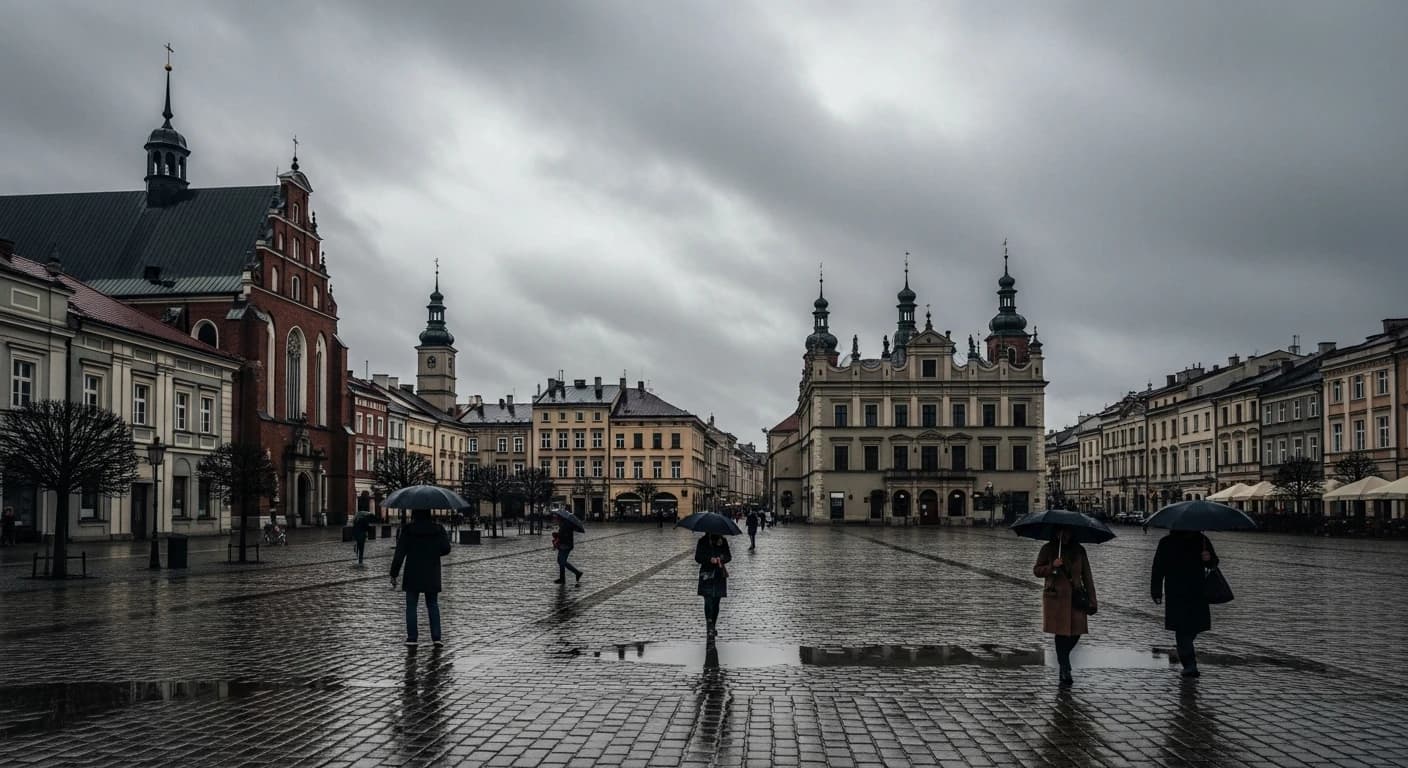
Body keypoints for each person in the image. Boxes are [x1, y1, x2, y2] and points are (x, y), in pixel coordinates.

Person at [1033, 526, 1097, 687]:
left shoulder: (1079, 550)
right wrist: (1052, 566)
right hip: (1056, 597)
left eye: (1067, 532)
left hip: (1076, 597)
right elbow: (1037, 570)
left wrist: (1092, 600)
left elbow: (1087, 576)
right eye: (1061, 532)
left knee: (1076, 632)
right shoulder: (1048, 549)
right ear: (1055, 533)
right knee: (1061, 633)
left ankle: (1064, 660)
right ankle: (1064, 668)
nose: (1064, 535)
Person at [1152, 529, 1218, 677]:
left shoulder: (1202, 540)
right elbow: (1158, 568)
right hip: (1176, 592)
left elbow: (1213, 563)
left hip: (1197, 591)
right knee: (1182, 630)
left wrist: (1208, 559)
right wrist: (1156, 591)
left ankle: (1186, 653)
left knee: (1194, 627)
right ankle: (1190, 664)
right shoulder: (1166, 542)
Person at [390, 508, 452, 647]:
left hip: (413, 571)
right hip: (432, 570)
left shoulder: (408, 530)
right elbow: (446, 548)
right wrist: (434, 552)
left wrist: (394, 573)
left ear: (414, 515)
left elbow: (399, 554)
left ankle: (412, 638)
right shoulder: (438, 529)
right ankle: (436, 637)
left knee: (411, 606)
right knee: (432, 604)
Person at [695, 532, 732, 640]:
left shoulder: (723, 541)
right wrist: (709, 559)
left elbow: (729, 556)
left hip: (719, 575)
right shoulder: (703, 541)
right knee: (708, 600)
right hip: (706, 574)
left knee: (716, 602)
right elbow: (698, 557)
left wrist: (721, 558)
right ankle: (709, 625)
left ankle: (713, 625)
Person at [553, 517, 583, 584]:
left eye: (556, 518)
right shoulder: (564, 524)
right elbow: (563, 535)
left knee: (562, 562)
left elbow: (562, 536)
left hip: (565, 546)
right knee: (561, 561)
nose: (555, 520)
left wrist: (556, 537)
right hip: (565, 545)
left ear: (560, 519)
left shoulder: (564, 525)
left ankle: (576, 573)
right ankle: (564, 578)